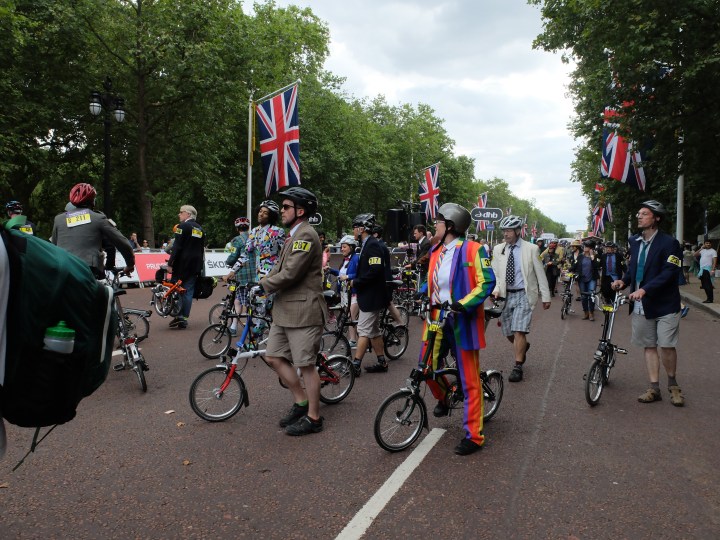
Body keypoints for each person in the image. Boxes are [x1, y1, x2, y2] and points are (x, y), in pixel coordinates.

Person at [421, 203, 496, 455]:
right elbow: (433, 283)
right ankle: (445, 397)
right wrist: (423, 295)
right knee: (426, 367)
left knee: (470, 379)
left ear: (450, 226)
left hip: (461, 320)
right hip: (435, 319)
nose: (435, 226)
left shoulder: (475, 249)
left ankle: (474, 436)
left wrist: (462, 305)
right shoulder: (435, 251)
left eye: (438, 222)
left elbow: (486, 282)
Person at [261, 187, 327, 436]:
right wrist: (263, 280)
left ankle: (314, 417)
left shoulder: (306, 236)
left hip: (303, 309)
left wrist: (263, 285)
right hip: (286, 309)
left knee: (306, 365)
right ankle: (300, 402)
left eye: (286, 207)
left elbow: (291, 273)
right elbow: (279, 268)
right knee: (273, 356)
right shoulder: (293, 235)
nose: (282, 211)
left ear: (300, 211)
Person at [611, 200, 685, 406]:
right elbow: (634, 269)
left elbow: (670, 273)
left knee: (667, 345)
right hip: (641, 304)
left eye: (644, 214)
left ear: (656, 218)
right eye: (638, 213)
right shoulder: (634, 241)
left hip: (665, 304)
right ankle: (654, 388)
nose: (639, 216)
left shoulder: (670, 243)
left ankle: (673, 386)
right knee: (649, 345)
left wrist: (644, 289)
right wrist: (623, 281)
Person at [491, 215, 551, 383]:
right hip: (505, 295)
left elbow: (540, 273)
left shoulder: (531, 249)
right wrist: (494, 291)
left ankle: (518, 366)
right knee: (509, 332)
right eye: (504, 230)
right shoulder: (498, 249)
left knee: (519, 330)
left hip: (523, 294)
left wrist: (545, 296)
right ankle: (523, 346)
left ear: (518, 231)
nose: (506, 234)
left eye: (509, 230)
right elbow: (495, 274)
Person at [51, 183, 135, 278]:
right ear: (93, 201)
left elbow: (53, 246)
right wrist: (130, 264)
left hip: (63, 268)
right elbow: (122, 243)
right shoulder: (98, 218)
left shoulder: (59, 219)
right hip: (88, 269)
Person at [350, 213, 392, 375]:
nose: (353, 230)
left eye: (355, 227)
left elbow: (375, 270)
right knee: (374, 331)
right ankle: (382, 363)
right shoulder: (367, 245)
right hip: (370, 295)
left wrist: (357, 282)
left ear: (362, 229)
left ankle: (355, 365)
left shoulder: (372, 245)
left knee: (364, 330)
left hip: (372, 296)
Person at [166, 205, 205, 329]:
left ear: (188, 214)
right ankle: (184, 317)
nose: (179, 214)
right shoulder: (200, 228)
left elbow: (177, 246)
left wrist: (170, 263)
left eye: (181, 212)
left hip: (182, 263)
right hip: (195, 264)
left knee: (176, 288)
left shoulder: (182, 227)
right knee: (188, 291)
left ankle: (178, 315)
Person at [223, 217, 255, 336]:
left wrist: (228, 263)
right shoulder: (253, 237)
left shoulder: (236, 240)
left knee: (243, 301)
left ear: (237, 228)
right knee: (240, 300)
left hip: (242, 274)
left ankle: (245, 328)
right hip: (255, 275)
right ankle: (234, 326)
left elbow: (233, 256)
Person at [325, 234, 359, 345]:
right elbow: (341, 274)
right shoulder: (345, 260)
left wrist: (348, 277)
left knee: (350, 316)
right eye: (342, 247)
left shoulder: (355, 258)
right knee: (349, 316)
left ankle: (354, 340)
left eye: (344, 247)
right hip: (345, 292)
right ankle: (361, 338)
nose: (342, 249)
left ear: (351, 247)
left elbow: (359, 274)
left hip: (354, 293)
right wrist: (330, 270)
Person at [243, 201, 285, 280]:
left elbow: (285, 252)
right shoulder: (254, 231)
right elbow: (246, 253)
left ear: (271, 216)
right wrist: (232, 271)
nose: (261, 214)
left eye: (265, 213)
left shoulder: (277, 231)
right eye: (260, 211)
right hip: (258, 275)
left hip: (272, 275)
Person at [571, 240, 601, 321]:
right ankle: (586, 312)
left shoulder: (596, 256)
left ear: (591, 248)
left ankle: (591, 313)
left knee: (591, 295)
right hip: (582, 279)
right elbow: (575, 265)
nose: (584, 248)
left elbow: (597, 266)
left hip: (592, 279)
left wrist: (592, 256)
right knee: (584, 297)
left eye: (586, 246)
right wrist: (568, 270)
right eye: (584, 246)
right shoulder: (580, 256)